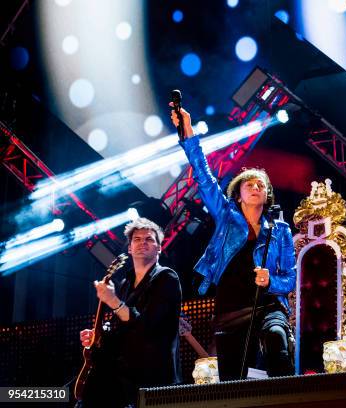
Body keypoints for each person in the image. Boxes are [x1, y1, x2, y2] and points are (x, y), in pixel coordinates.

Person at [171, 103, 296, 381]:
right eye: (249, 184)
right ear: (238, 194)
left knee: (277, 342)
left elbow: (290, 278)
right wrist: (187, 132)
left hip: (267, 307)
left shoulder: (281, 230)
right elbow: (203, 176)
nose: (255, 187)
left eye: (261, 185)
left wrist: (270, 282)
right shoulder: (226, 216)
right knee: (234, 378)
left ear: (267, 195)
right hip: (230, 311)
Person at [78, 218, 182, 407]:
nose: (143, 242)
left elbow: (147, 326)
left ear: (159, 248)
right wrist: (98, 336)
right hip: (122, 379)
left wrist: (114, 302)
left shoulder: (167, 278)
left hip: (152, 380)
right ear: (129, 249)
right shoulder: (126, 284)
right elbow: (121, 327)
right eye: (137, 239)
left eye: (149, 239)